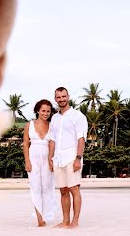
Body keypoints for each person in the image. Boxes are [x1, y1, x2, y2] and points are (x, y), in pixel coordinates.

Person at [48, 86, 87, 228]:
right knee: (63, 190)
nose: (61, 99)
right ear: (55, 99)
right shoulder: (54, 118)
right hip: (58, 159)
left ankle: (75, 221)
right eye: (58, 97)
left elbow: (81, 139)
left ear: (68, 96)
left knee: (74, 189)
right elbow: (52, 140)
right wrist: (50, 158)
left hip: (72, 157)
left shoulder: (78, 116)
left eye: (63, 96)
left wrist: (78, 158)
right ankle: (65, 221)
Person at [23, 99, 57, 226]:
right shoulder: (29, 125)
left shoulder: (52, 126)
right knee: (36, 187)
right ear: (38, 110)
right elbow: (26, 144)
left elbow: (53, 144)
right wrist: (27, 161)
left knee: (47, 187)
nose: (45, 113)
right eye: (43, 111)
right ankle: (39, 219)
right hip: (33, 159)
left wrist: (51, 159)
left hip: (47, 159)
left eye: (48, 111)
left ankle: (46, 215)